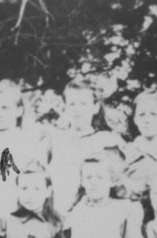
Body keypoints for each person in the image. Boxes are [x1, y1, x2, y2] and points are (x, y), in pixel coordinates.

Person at [0, 79, 49, 219]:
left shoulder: (31, 143)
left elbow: (38, 186)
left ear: (18, 110)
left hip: (20, 218)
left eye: (5, 108)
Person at [47, 77, 125, 216]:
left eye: (83, 104)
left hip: (92, 216)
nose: (77, 109)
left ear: (95, 107)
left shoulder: (107, 141)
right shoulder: (54, 140)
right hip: (57, 214)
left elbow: (118, 186)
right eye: (72, 104)